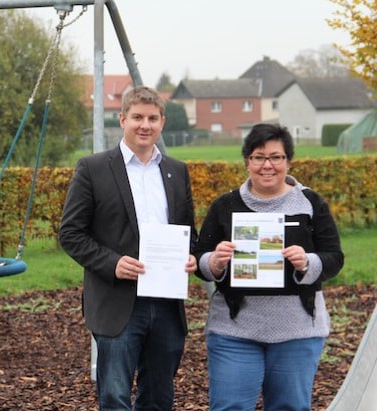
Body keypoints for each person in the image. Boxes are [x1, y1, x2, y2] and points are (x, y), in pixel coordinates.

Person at [59, 85, 198, 410]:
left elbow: (189, 232)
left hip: (166, 302)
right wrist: (112, 263)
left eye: (152, 118)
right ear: (122, 120)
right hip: (117, 302)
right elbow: (70, 233)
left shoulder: (176, 171)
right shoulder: (93, 169)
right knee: (115, 397)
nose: (144, 125)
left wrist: (191, 254)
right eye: (137, 117)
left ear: (162, 121)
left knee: (159, 397)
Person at [193, 123, 344, 411]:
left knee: (289, 407)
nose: (267, 165)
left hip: (298, 331)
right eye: (258, 157)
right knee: (230, 407)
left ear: (288, 161)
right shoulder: (225, 206)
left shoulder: (311, 204)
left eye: (276, 157)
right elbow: (201, 258)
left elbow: (334, 257)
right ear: (247, 161)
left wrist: (307, 262)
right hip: (233, 331)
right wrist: (213, 262)